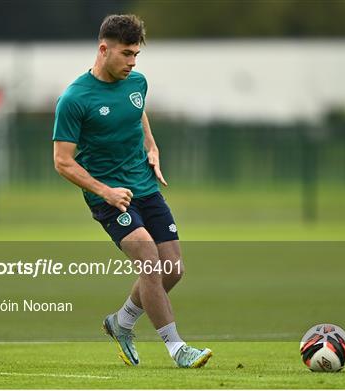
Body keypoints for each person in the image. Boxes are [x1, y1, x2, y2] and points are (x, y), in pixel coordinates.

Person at [52, 14, 212, 368]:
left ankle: (121, 322)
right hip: (109, 198)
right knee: (150, 263)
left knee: (173, 270)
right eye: (126, 54)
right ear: (103, 49)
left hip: (145, 187)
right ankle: (177, 348)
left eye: (137, 54)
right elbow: (62, 162)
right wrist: (105, 191)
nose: (133, 62)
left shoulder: (137, 82)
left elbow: (137, 112)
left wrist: (152, 147)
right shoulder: (75, 99)